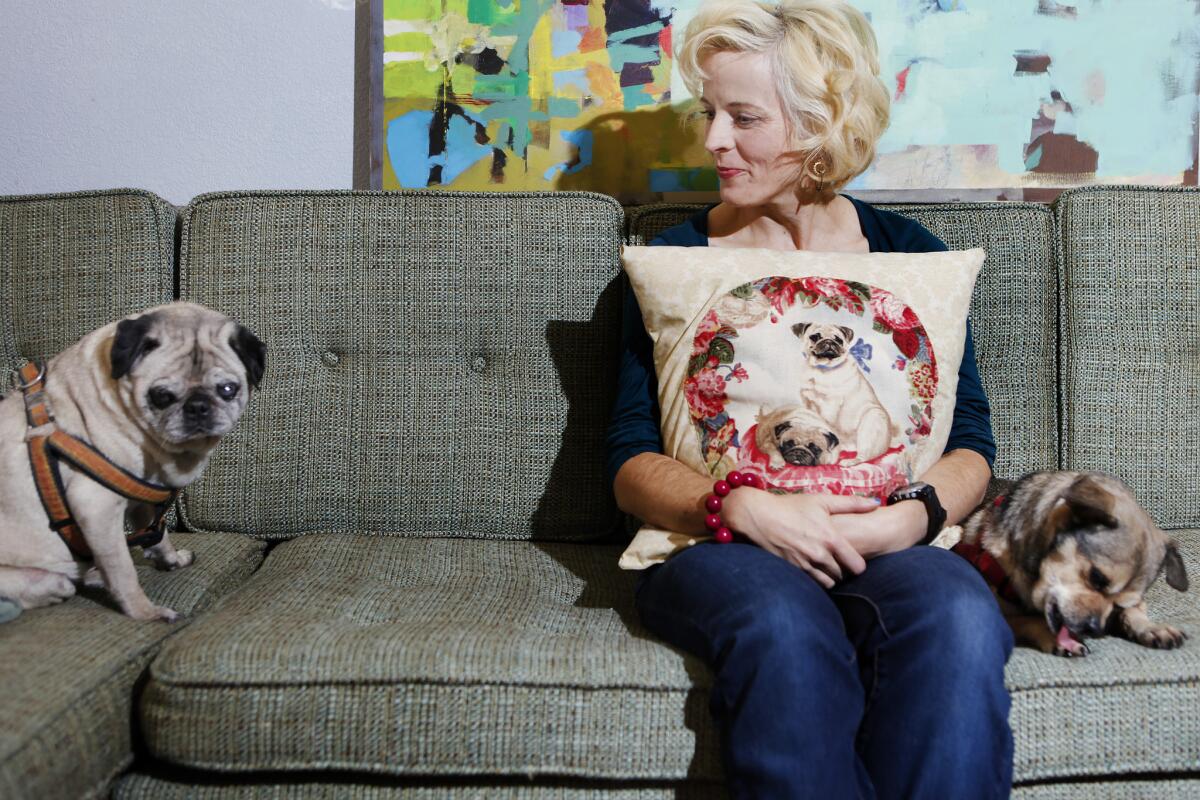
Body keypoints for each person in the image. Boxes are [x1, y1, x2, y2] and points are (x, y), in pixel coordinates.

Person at [604, 1, 1014, 797]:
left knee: (960, 618)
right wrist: (740, 508)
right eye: (710, 113)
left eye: (743, 117)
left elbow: (971, 445)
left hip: (890, 537)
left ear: (821, 125)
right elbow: (627, 462)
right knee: (785, 630)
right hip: (719, 549)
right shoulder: (676, 259)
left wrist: (916, 517)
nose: (714, 140)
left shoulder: (910, 256)